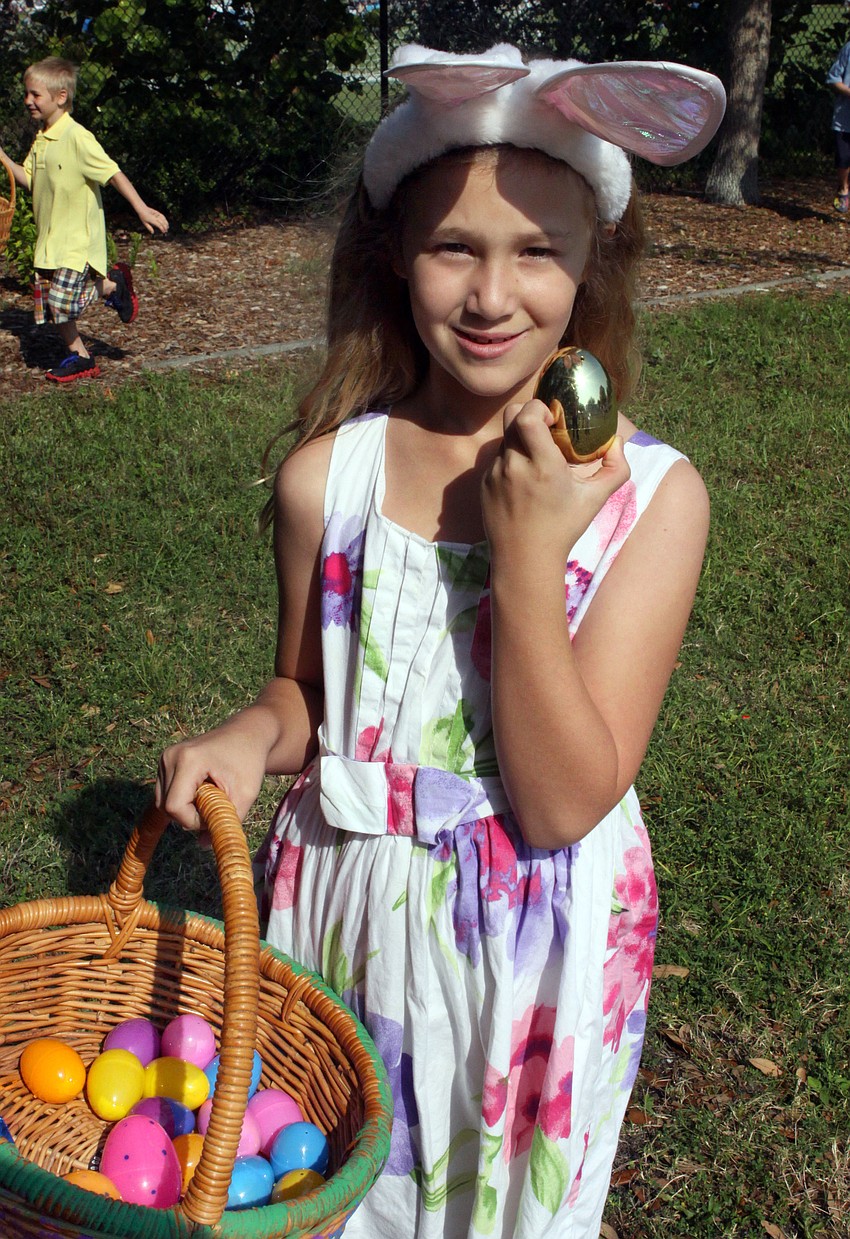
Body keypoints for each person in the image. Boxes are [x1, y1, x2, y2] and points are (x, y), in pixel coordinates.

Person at [156, 44, 725, 1238]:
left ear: (588, 271)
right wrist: (250, 736)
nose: (490, 295)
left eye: (537, 252)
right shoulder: (332, 479)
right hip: (344, 916)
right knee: (334, 1194)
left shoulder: (652, 503)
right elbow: (307, 688)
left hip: (535, 950)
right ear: (392, 256)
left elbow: (568, 800)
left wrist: (525, 550)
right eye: (452, 246)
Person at [0, 57, 169, 383]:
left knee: (59, 301)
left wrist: (142, 209)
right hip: (50, 237)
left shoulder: (77, 137)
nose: (28, 101)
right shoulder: (42, 138)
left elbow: (113, 172)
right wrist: (4, 158)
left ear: (60, 97)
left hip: (75, 237)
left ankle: (111, 287)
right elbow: (30, 180)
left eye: (35, 95)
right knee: (50, 304)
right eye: (27, 94)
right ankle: (82, 353)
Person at [827, 35, 850, 214]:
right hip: (844, 119)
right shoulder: (848, 49)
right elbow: (833, 79)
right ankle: (843, 188)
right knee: (843, 158)